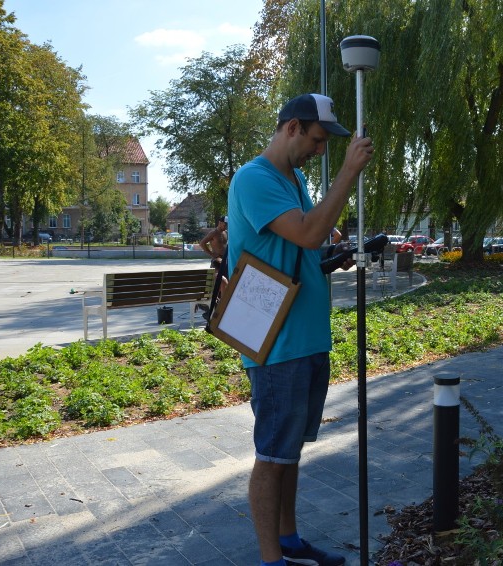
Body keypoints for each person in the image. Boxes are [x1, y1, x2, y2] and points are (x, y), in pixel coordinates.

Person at [226, 93, 374, 566]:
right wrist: (349, 173)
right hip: (278, 344)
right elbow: (309, 232)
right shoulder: (254, 179)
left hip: (306, 336)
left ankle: (289, 542)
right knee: (272, 454)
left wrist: (329, 259)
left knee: (289, 452)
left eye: (328, 145)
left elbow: (303, 248)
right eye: (316, 139)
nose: (321, 150)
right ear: (291, 128)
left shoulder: (295, 180)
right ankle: (273, 560)